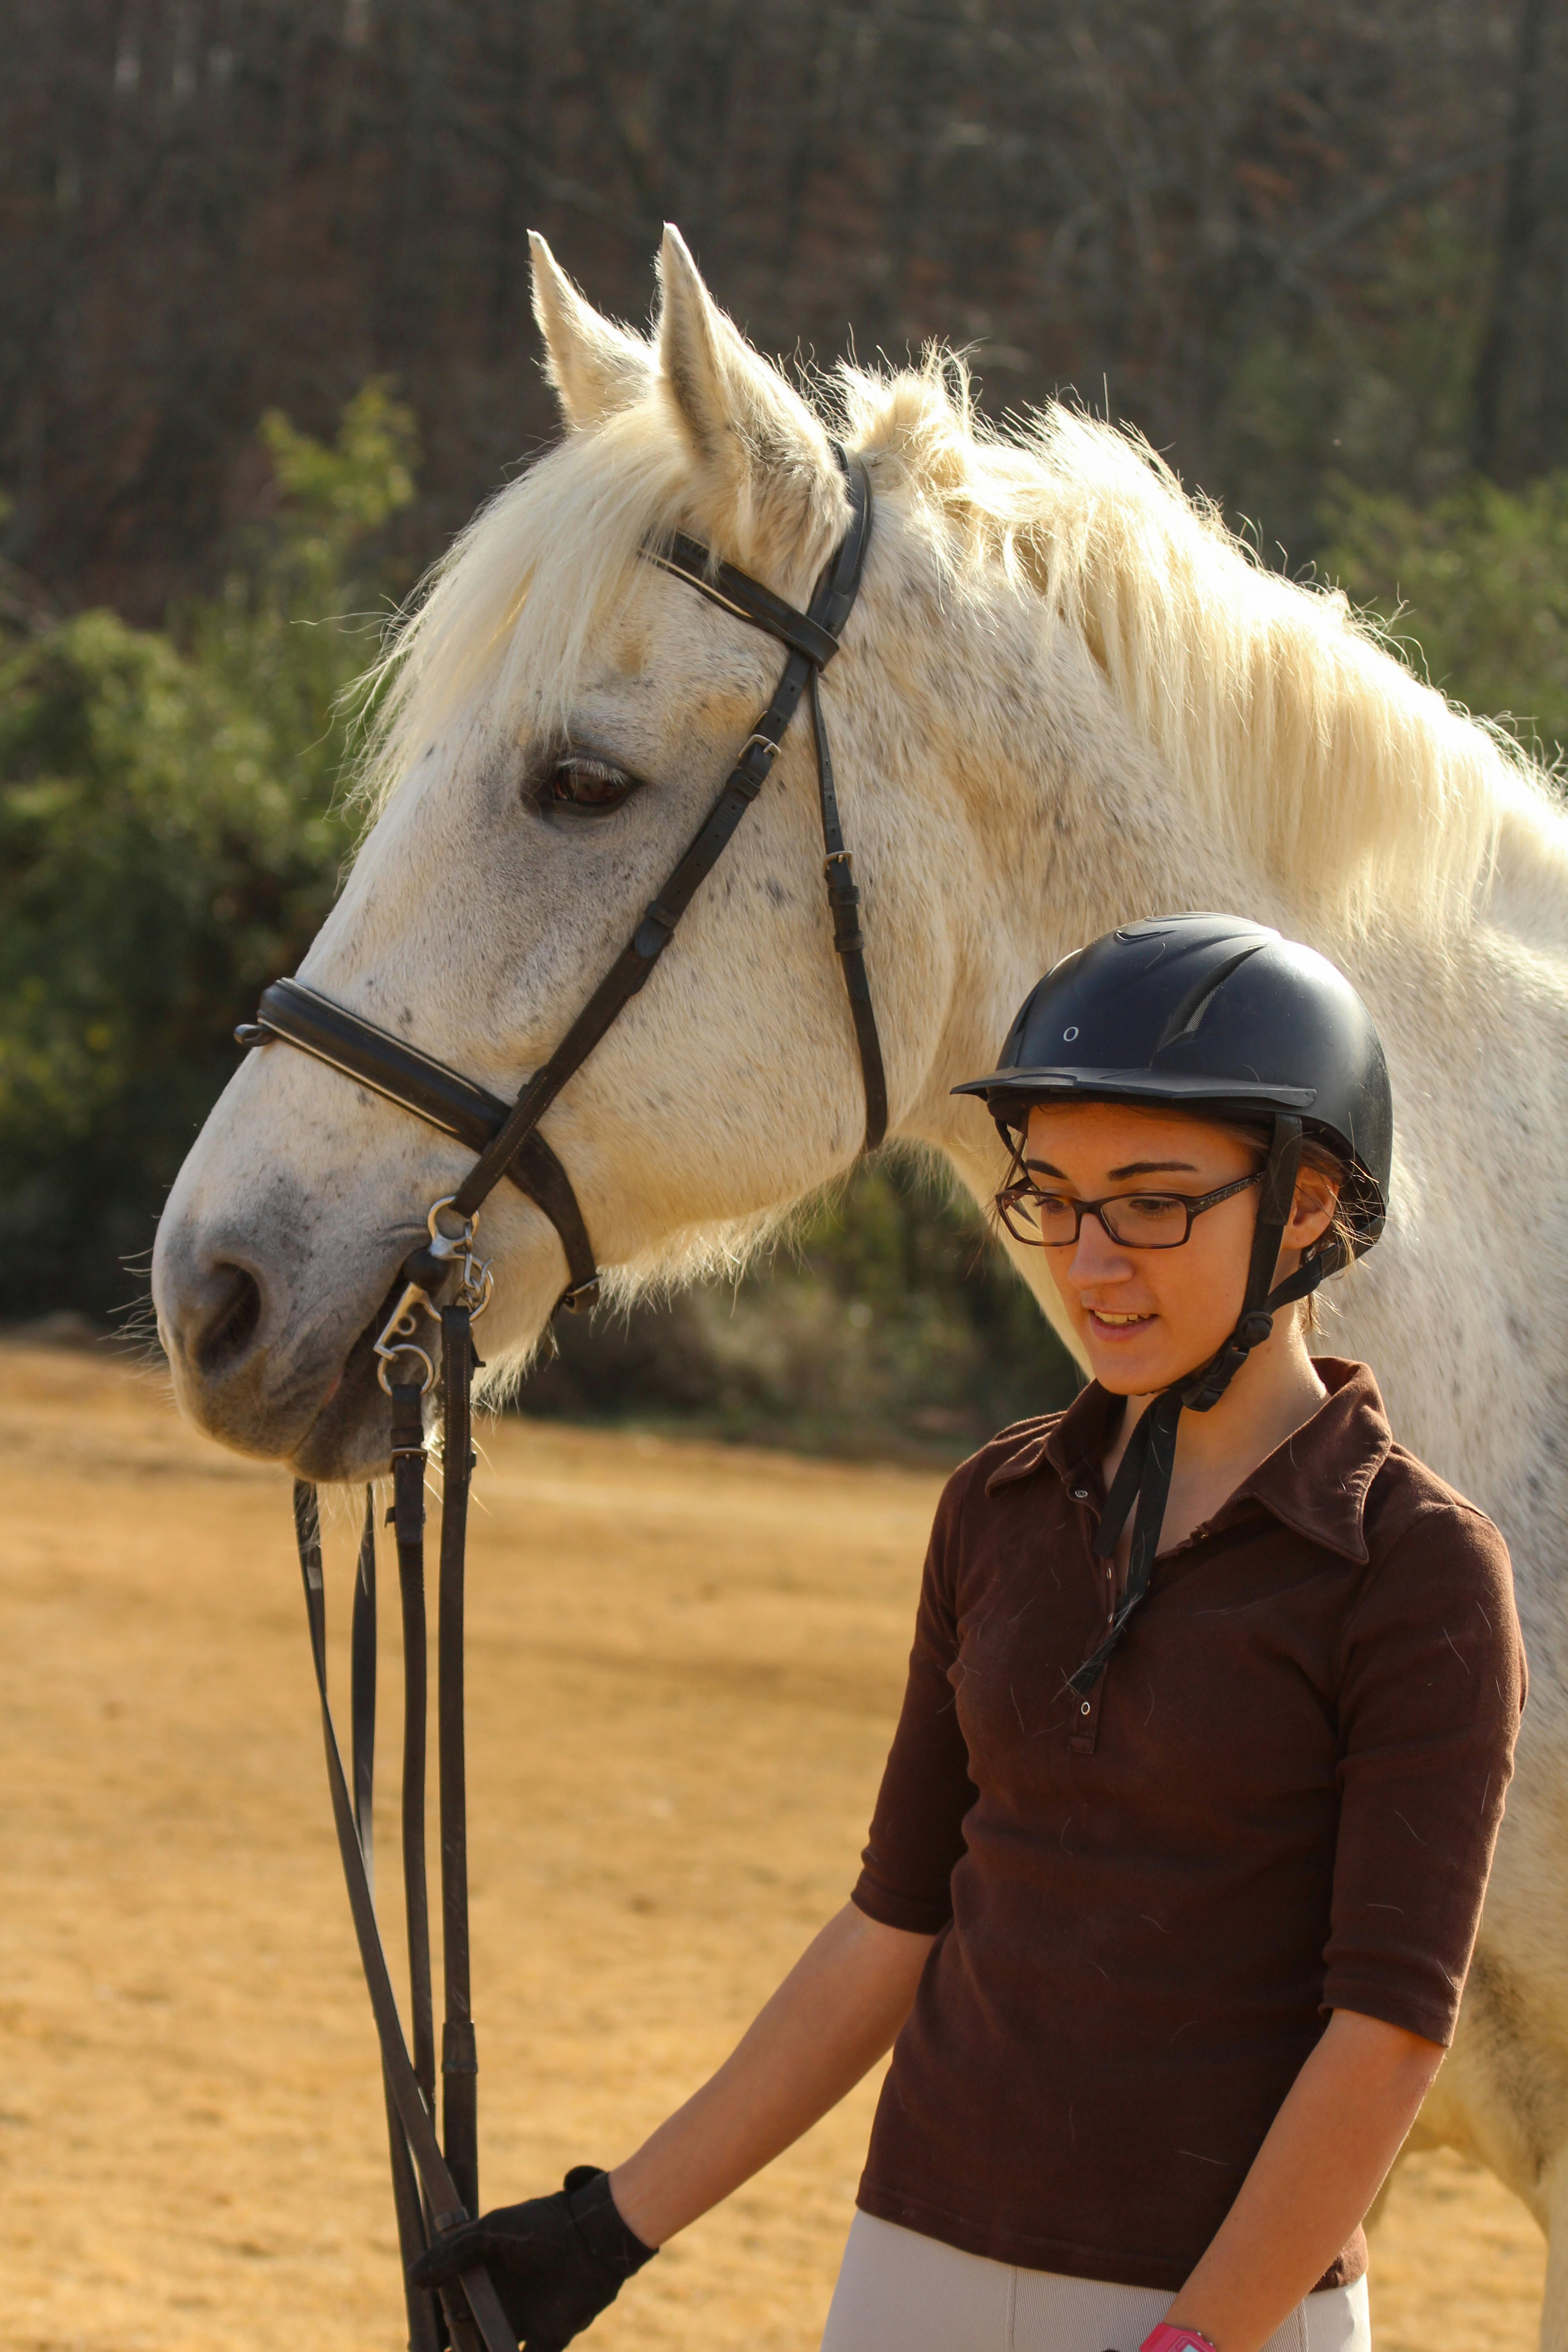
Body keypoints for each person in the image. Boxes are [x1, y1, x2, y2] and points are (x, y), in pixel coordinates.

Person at [412, 914, 1525, 2352]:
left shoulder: (1417, 1570)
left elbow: (1386, 2036)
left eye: (1152, 1202)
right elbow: (895, 1921)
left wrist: (1197, 2343)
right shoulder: (998, 1505)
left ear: (1308, 1204)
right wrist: (610, 2226)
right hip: (912, 2258)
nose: (1090, 1259)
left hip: (1224, 2308)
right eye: (1053, 1198)